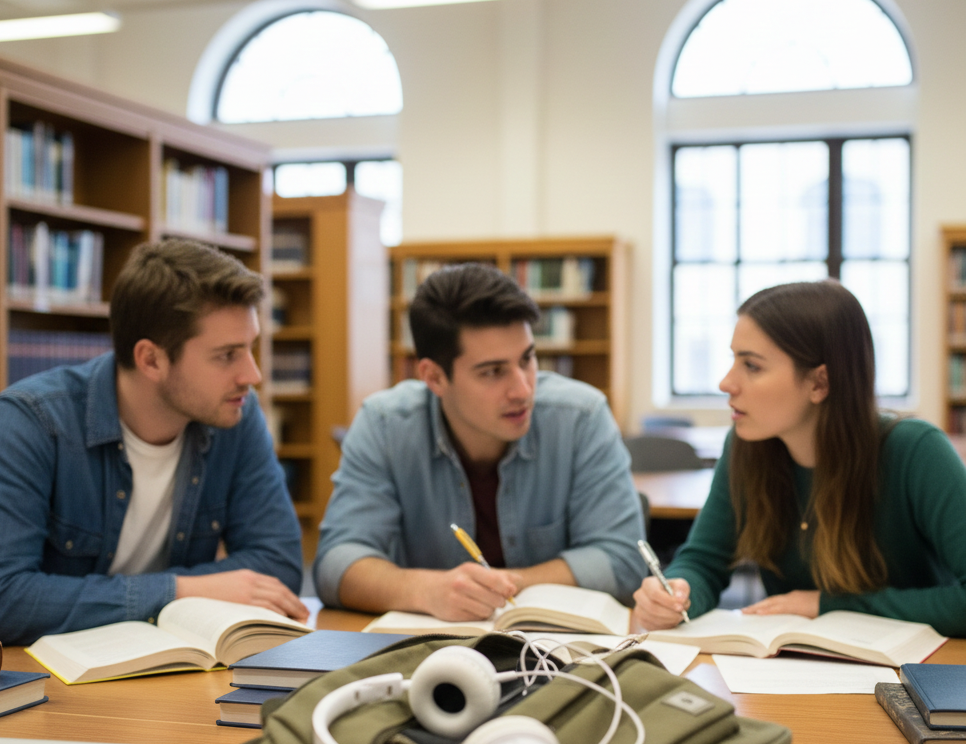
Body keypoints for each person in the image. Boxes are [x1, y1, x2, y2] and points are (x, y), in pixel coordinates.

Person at [0, 238, 307, 644]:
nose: (252, 374)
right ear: (151, 359)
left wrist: (127, 599)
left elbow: (278, 566)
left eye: (251, 348)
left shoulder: (236, 414)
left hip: (155, 665)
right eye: (227, 355)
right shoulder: (33, 420)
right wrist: (180, 591)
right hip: (27, 677)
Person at [633, 279, 966, 638]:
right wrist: (676, 594)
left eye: (752, 366)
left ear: (820, 383)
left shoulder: (916, 451)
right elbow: (703, 561)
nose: (726, 382)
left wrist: (829, 605)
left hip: (913, 677)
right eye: (734, 360)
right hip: (794, 670)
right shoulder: (746, 446)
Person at [313, 262, 646, 620]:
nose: (522, 390)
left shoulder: (581, 417)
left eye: (527, 359)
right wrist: (428, 591)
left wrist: (503, 585)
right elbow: (336, 563)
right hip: (426, 657)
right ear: (434, 377)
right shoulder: (384, 425)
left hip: (560, 655)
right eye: (493, 372)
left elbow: (624, 560)